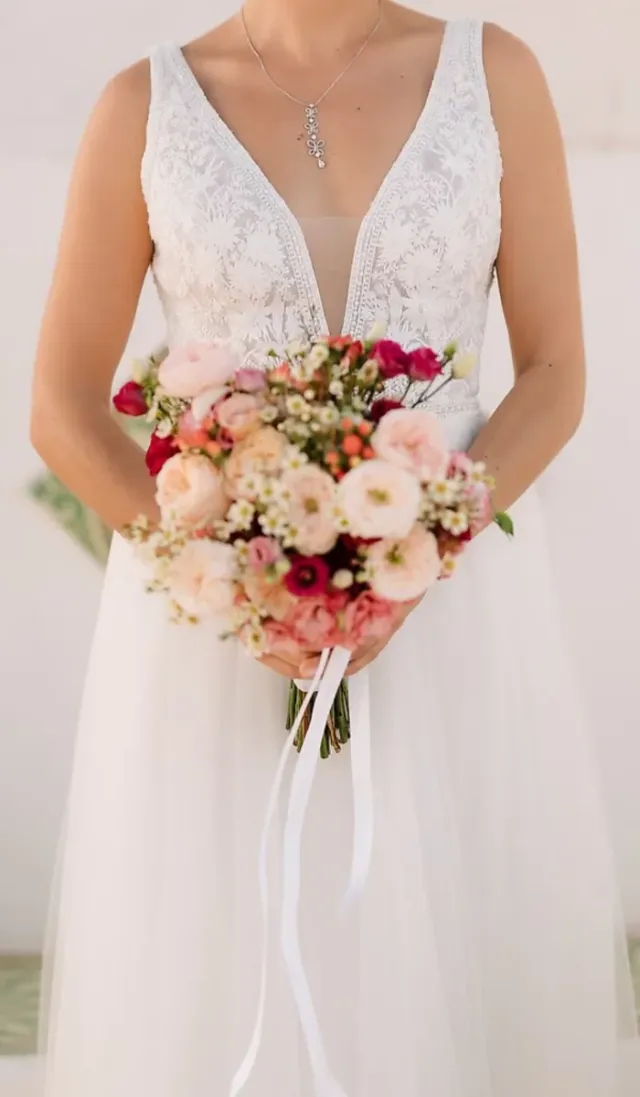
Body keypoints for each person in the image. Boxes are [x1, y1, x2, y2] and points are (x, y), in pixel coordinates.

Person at [30, 1, 639, 1094]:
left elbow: (555, 371)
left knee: (451, 942)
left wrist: (422, 547)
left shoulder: (494, 73)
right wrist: (234, 589)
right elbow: (61, 407)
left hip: (452, 605)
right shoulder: (143, 104)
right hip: (218, 631)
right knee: (229, 956)